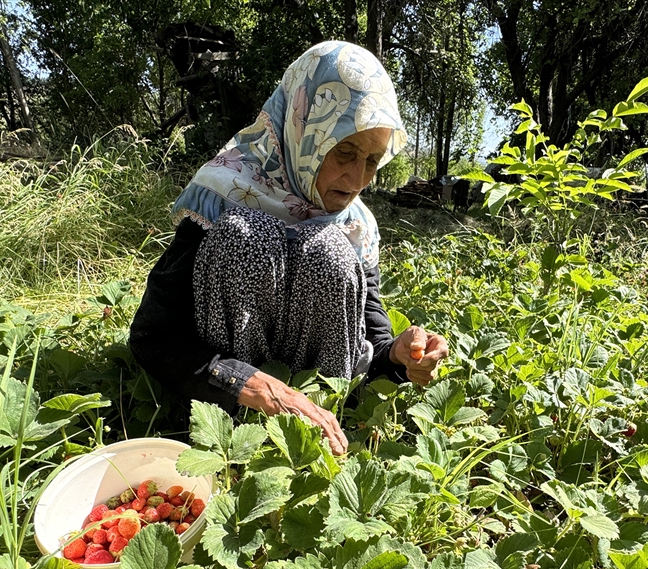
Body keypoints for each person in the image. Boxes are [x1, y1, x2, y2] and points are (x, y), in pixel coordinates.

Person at [129, 42, 449, 456]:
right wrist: (250, 384)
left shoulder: (353, 225)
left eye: (371, 161)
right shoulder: (224, 194)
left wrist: (402, 356)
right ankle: (244, 428)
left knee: (329, 251)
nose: (356, 181)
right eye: (344, 152)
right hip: (229, 407)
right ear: (303, 131)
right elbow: (154, 337)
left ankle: (318, 426)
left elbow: (373, 347)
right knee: (247, 235)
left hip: (321, 419)